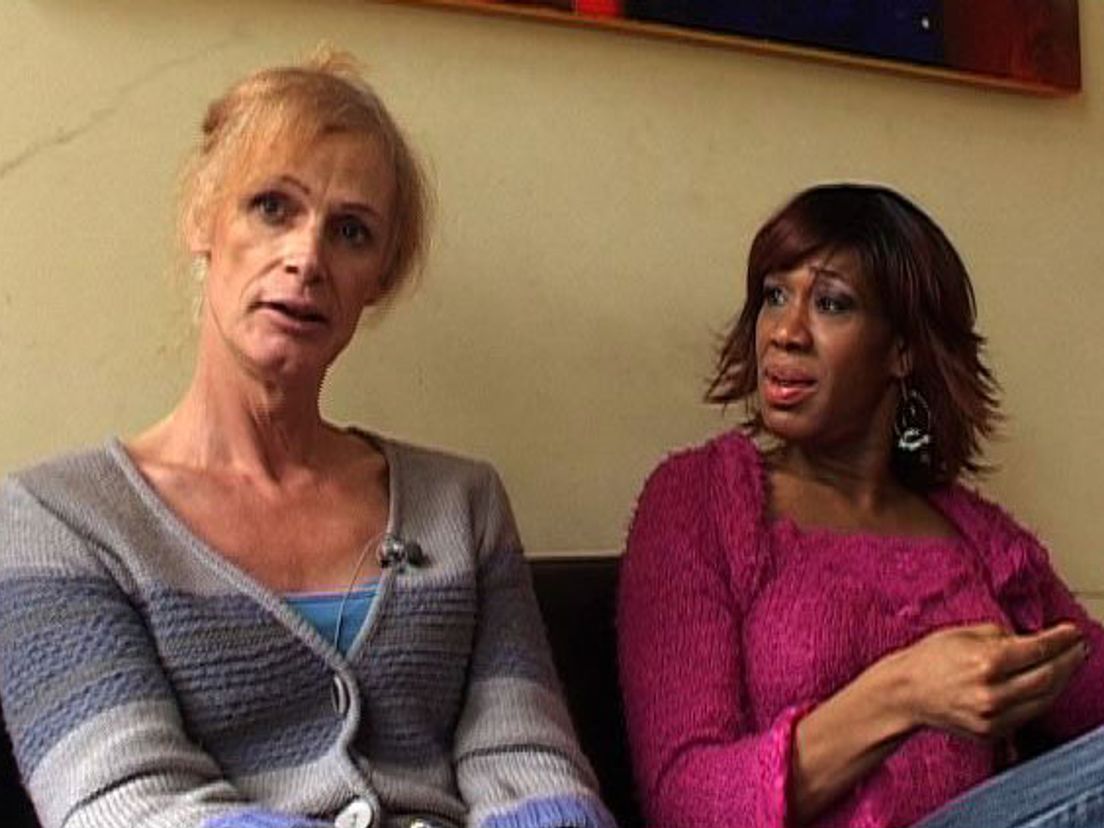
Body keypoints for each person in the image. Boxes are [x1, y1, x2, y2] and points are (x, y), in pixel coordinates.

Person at [0, 53, 614, 828]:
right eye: (272, 207)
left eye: (351, 232)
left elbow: (527, 762)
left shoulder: (463, 505)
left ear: (379, 277)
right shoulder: (55, 520)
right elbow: (124, 802)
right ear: (202, 219)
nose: (307, 258)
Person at [617, 183, 1104, 828]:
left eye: (830, 303)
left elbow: (1089, 689)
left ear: (902, 350)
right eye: (774, 296)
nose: (785, 333)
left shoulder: (977, 536)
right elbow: (685, 802)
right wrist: (904, 693)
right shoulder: (702, 501)